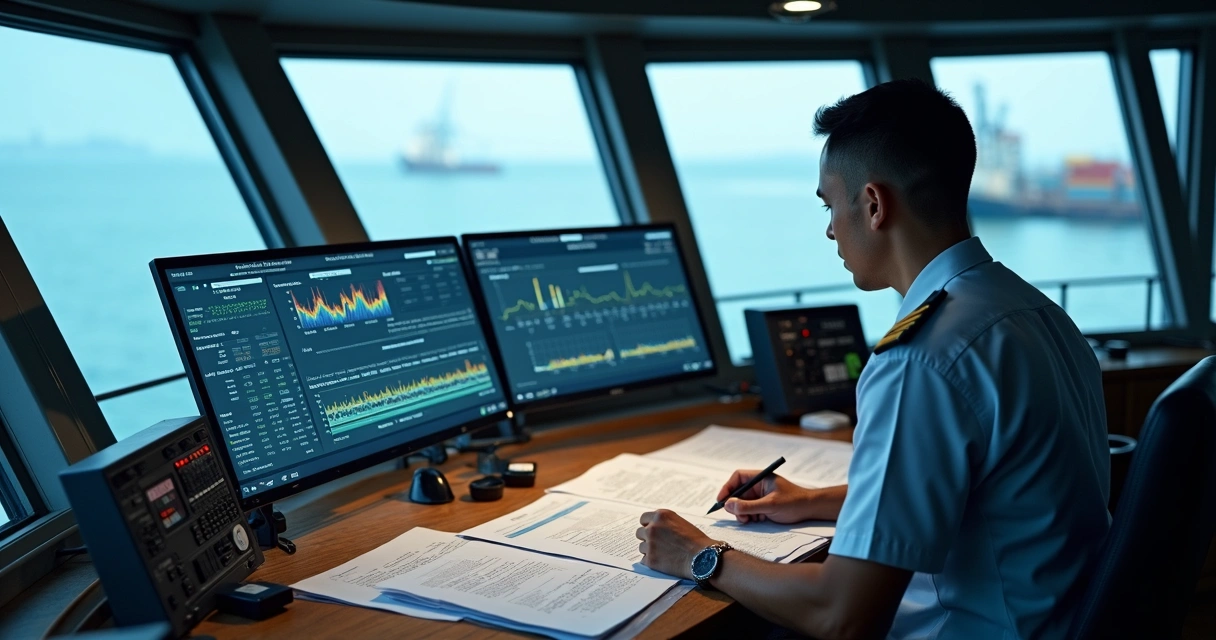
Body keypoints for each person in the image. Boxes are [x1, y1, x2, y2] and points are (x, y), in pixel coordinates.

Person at [635, 79, 1111, 639]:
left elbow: (844, 616)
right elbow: (987, 494)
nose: (831, 228)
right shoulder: (1033, 311)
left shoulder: (921, 361)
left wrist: (700, 554)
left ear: (874, 204)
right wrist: (814, 501)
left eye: (831, 204)